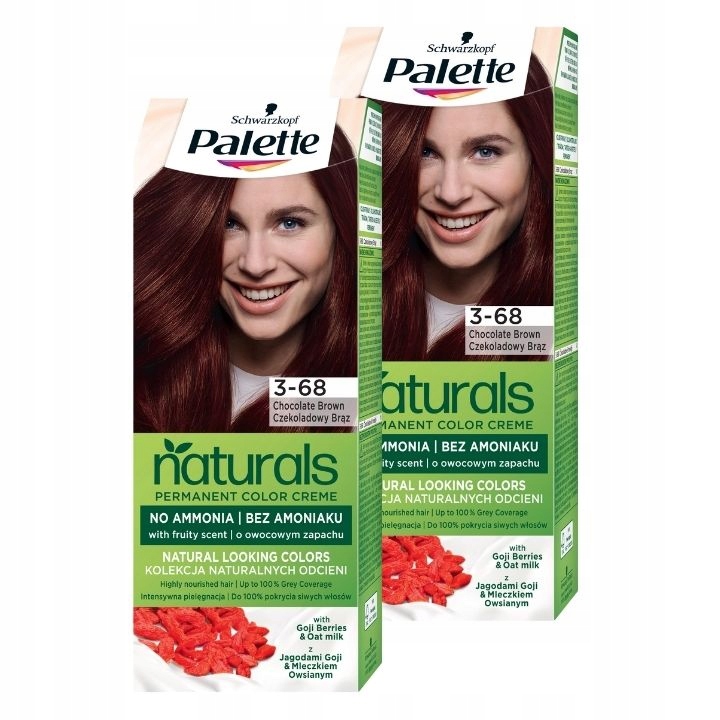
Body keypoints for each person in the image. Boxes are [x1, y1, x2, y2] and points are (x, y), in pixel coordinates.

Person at [134, 127, 357, 432]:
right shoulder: (143, 374)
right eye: (229, 224)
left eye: (289, 223)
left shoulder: (373, 393)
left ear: (340, 229)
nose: (255, 264)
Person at [382, 53, 553, 361]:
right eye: (425, 153)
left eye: (486, 151)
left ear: (535, 159)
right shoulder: (351, 315)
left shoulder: (560, 326)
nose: (451, 193)